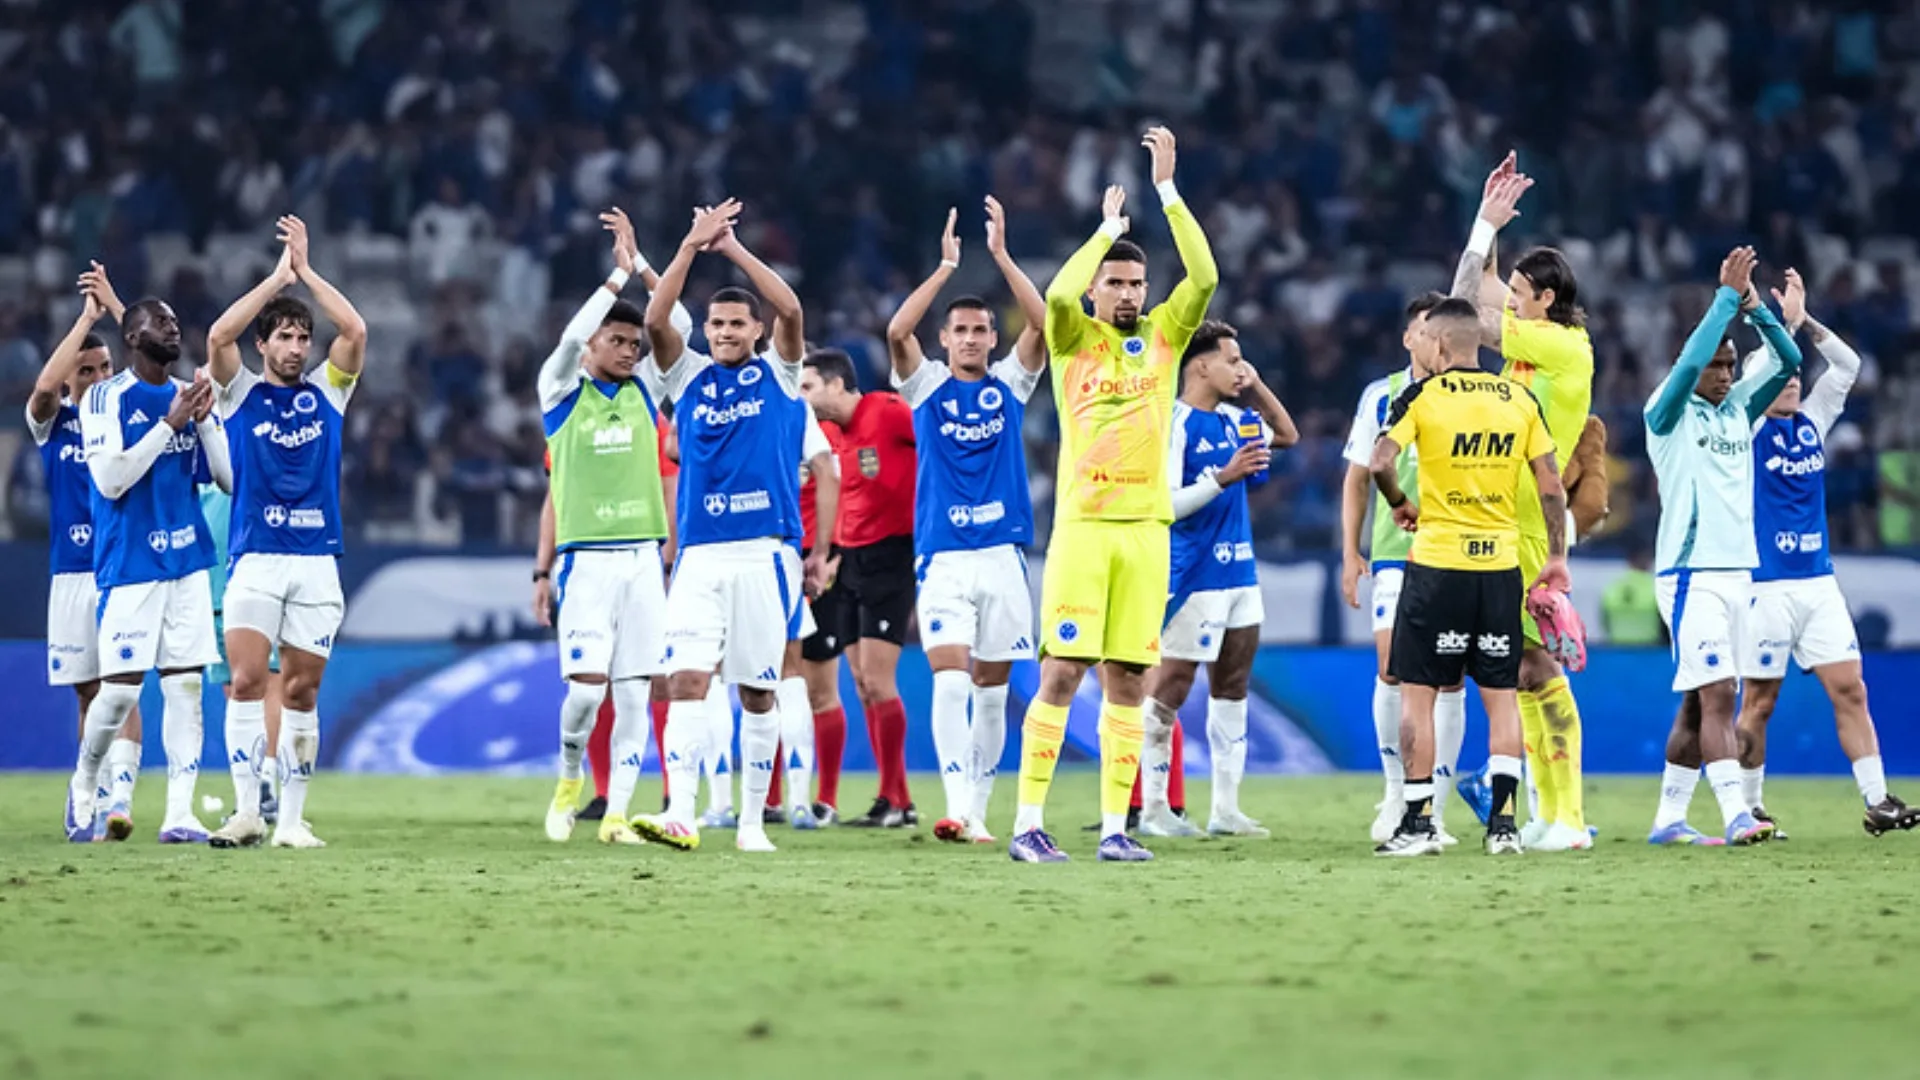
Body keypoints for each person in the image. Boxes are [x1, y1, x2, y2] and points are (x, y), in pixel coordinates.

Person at [1012, 126, 1217, 864]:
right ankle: (1027, 824)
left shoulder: (1165, 337)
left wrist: (1166, 192)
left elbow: (1205, 276)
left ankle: (1112, 830)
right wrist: (1104, 232)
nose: (1129, 294)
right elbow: (1059, 292)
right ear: (1100, 291)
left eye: (1136, 284)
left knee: (1129, 679)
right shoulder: (1071, 338)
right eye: (1118, 284)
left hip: (1147, 530)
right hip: (1084, 529)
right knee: (1063, 672)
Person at [639, 198, 819, 854]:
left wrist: (734, 249)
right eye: (715, 324)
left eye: (736, 324)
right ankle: (682, 813)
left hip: (767, 555)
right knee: (687, 678)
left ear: (754, 331)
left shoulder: (781, 373)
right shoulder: (685, 379)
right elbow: (657, 316)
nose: (723, 333)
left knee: (758, 691)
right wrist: (689, 247)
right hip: (701, 558)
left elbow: (793, 310)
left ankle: (749, 824)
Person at [1367, 296, 1570, 857]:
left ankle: (1418, 823)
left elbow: (1380, 460)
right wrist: (1556, 558)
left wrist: (1400, 504)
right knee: (1501, 699)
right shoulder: (1519, 400)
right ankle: (1503, 827)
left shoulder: (1422, 396)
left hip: (1437, 567)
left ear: (1437, 345)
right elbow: (1551, 485)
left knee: (1418, 696)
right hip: (1500, 567)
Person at [514, 208, 685, 846]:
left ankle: (617, 815)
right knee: (586, 696)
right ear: (593, 346)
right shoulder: (560, 394)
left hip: (643, 558)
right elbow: (565, 342)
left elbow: (678, 323)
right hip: (586, 561)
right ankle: (567, 781)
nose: (630, 351)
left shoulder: (645, 390)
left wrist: (644, 265)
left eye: (635, 345)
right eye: (617, 342)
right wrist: (615, 284)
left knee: (638, 692)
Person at [885, 197, 1048, 843]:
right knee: (949, 678)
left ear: (993, 338)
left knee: (990, 690)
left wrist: (1003, 256)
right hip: (945, 555)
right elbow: (897, 334)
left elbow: (1044, 324)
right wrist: (945, 266)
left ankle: (978, 810)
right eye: (962, 331)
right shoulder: (923, 386)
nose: (973, 339)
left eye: (983, 330)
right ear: (946, 339)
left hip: (1004, 554)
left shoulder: (1012, 384)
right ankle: (955, 806)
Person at [1450, 153, 1599, 851]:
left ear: (1545, 300)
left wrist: (1483, 227)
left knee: (1537, 668)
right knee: (1518, 669)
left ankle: (1568, 818)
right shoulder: (1532, 352)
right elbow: (1476, 290)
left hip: (1530, 525)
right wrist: (1493, 223)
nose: (1507, 297)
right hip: (1496, 520)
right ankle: (1549, 811)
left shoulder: (1566, 348)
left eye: (1518, 291)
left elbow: (1466, 315)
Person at [202, 215, 365, 850]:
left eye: (303, 337)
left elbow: (354, 329)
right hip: (256, 561)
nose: (298, 347)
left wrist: (307, 273)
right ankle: (247, 812)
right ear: (263, 345)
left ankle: (292, 822)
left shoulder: (329, 392)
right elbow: (218, 335)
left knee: (301, 689)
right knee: (245, 681)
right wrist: (275, 280)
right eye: (286, 337)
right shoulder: (237, 396)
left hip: (316, 562)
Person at [1735, 269, 1918, 836]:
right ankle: (1751, 807)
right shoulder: (1740, 429)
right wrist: (1771, 326)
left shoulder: (1812, 423)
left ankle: (1877, 801)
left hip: (1818, 583)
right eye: (1779, 372)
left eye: (1794, 372)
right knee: (1760, 704)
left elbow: (1849, 367)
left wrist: (1804, 322)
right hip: (1764, 585)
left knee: (1852, 689)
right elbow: (1763, 374)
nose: (1791, 379)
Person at [1642, 246, 1801, 847]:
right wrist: (1723, 301)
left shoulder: (1738, 411)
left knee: (1694, 705)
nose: (1728, 375)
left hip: (1739, 574)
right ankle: (1738, 814)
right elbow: (1686, 368)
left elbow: (1786, 361)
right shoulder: (1667, 412)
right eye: (1718, 366)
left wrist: (1755, 308)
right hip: (1690, 574)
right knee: (1719, 695)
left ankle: (1668, 820)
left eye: (1732, 366)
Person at [65, 297, 231, 844]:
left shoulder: (191, 394)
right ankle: (86, 778)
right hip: (130, 564)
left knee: (185, 689)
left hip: (186, 562)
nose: (172, 327)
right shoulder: (103, 400)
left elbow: (227, 480)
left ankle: (179, 814)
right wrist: (169, 425)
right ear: (132, 337)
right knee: (118, 695)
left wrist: (205, 425)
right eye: (161, 321)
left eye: (175, 320)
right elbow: (112, 481)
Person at [1138, 319, 1298, 839]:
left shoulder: (1235, 418)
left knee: (1232, 687)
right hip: (1193, 575)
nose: (1240, 367)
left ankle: (1225, 810)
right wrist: (1220, 478)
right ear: (1199, 365)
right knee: (1172, 688)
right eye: (1232, 360)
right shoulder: (1174, 423)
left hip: (1240, 572)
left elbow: (1288, 435)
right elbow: (1162, 504)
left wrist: (1253, 384)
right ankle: (1155, 807)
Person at [1339, 292, 1464, 846]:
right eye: (1423, 329)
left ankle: (1433, 801)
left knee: (1450, 678)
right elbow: (1357, 477)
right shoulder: (1381, 395)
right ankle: (1396, 791)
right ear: (1410, 338)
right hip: (1396, 552)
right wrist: (1350, 552)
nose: (1433, 340)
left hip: (1459, 548)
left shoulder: (1465, 394)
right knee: (1393, 668)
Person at [31, 262, 143, 840]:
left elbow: (153, 358)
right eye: (89, 369)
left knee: (123, 684)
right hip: (70, 575)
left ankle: (120, 800)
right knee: (87, 692)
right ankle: (89, 797)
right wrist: (85, 319)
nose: (100, 376)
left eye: (106, 366)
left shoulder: (125, 418)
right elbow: (45, 390)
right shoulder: (57, 426)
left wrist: (118, 309)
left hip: (123, 568)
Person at [799, 347, 918, 828]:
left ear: (836, 384)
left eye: (808, 385)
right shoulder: (827, 435)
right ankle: (896, 798)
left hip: (891, 555)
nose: (801, 394)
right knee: (864, 685)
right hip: (848, 561)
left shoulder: (888, 413)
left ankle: (895, 800)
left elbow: (934, 443)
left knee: (878, 679)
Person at [1602, 544, 1665, 646]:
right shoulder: (1656, 587)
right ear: (1648, 562)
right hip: (1650, 652)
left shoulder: (1612, 587)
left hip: (1616, 650)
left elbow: (1605, 620)